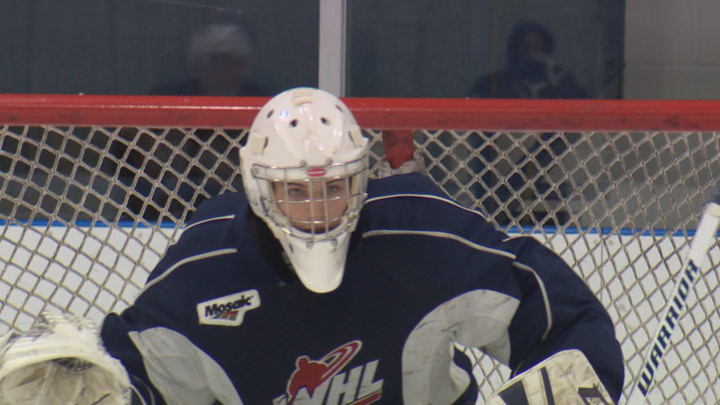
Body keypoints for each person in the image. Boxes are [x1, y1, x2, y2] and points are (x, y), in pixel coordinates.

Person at [0, 88, 623, 404]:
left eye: (335, 188)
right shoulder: (203, 271)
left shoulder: (422, 234)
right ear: (258, 189)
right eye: (296, 192)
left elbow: (559, 318)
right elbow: (147, 378)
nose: (319, 211)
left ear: (362, 180)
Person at [151, 23, 267, 96]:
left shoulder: (261, 101)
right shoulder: (172, 97)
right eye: (224, 61)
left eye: (239, 61)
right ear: (200, 64)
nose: (233, 69)